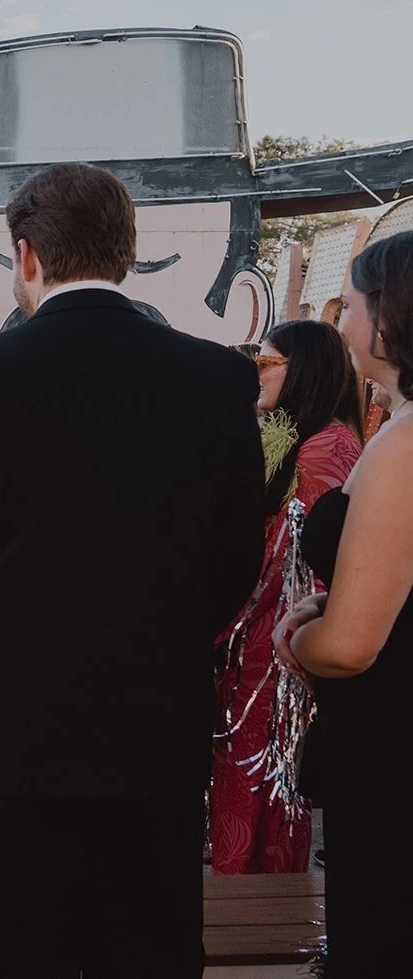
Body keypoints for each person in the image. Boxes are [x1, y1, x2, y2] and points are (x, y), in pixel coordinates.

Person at [0, 163, 266, 976]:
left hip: (22, 722)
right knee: (153, 943)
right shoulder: (216, 380)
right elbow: (236, 555)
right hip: (159, 721)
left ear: (27, 255)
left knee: (25, 945)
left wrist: (2, 639)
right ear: (126, 251)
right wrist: (168, 633)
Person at [276, 231, 413, 974]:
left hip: (390, 746)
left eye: (350, 303)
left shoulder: (405, 446)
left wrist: (297, 639)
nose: (342, 319)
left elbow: (355, 643)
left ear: (387, 317)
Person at [210, 320, 361, 875]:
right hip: (259, 646)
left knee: (263, 795)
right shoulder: (300, 438)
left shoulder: (326, 449)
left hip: (278, 654)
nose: (257, 375)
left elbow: (297, 565)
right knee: (249, 793)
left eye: (266, 364)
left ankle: (256, 909)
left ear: (304, 370)